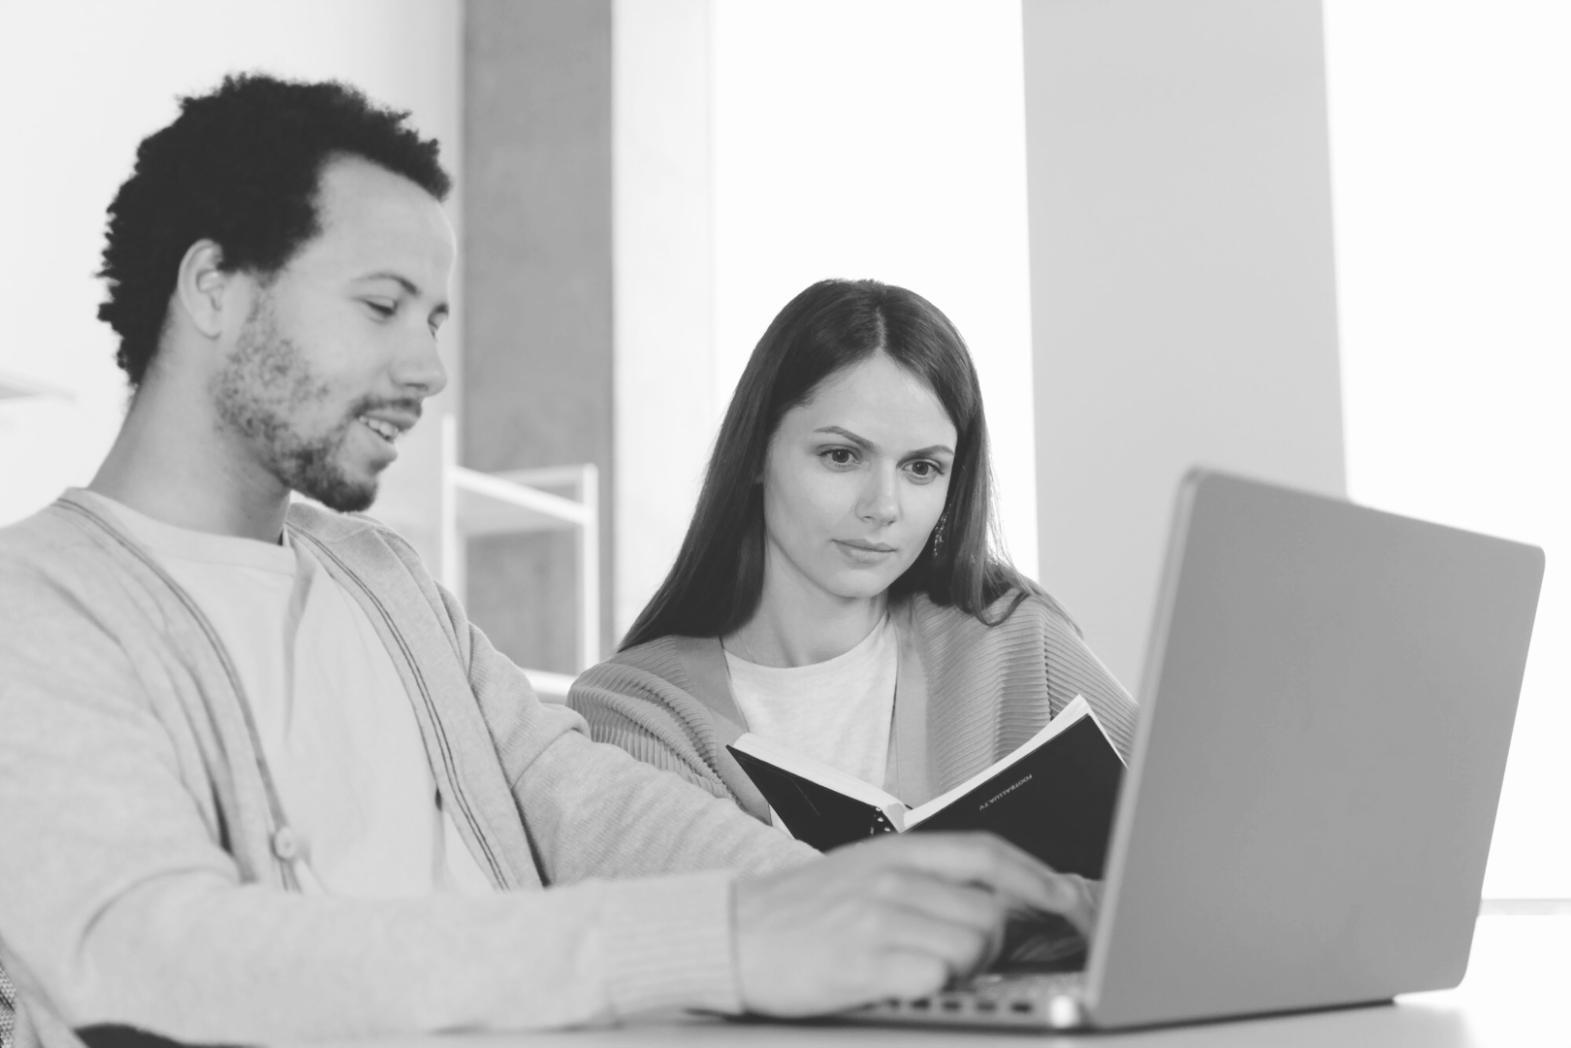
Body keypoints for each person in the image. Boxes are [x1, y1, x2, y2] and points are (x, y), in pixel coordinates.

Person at [0, 75, 1096, 1048]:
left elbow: (585, 799)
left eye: (433, 317)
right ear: (213, 289)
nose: (429, 365)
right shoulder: (40, 602)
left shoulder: (382, 583)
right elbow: (151, 950)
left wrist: (862, 908)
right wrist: (716, 939)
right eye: (381, 305)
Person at [569, 279, 1138, 826]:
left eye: (921, 468)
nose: (883, 506)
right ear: (755, 455)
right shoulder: (640, 712)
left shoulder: (1013, 639)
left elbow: (1196, 838)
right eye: (841, 456)